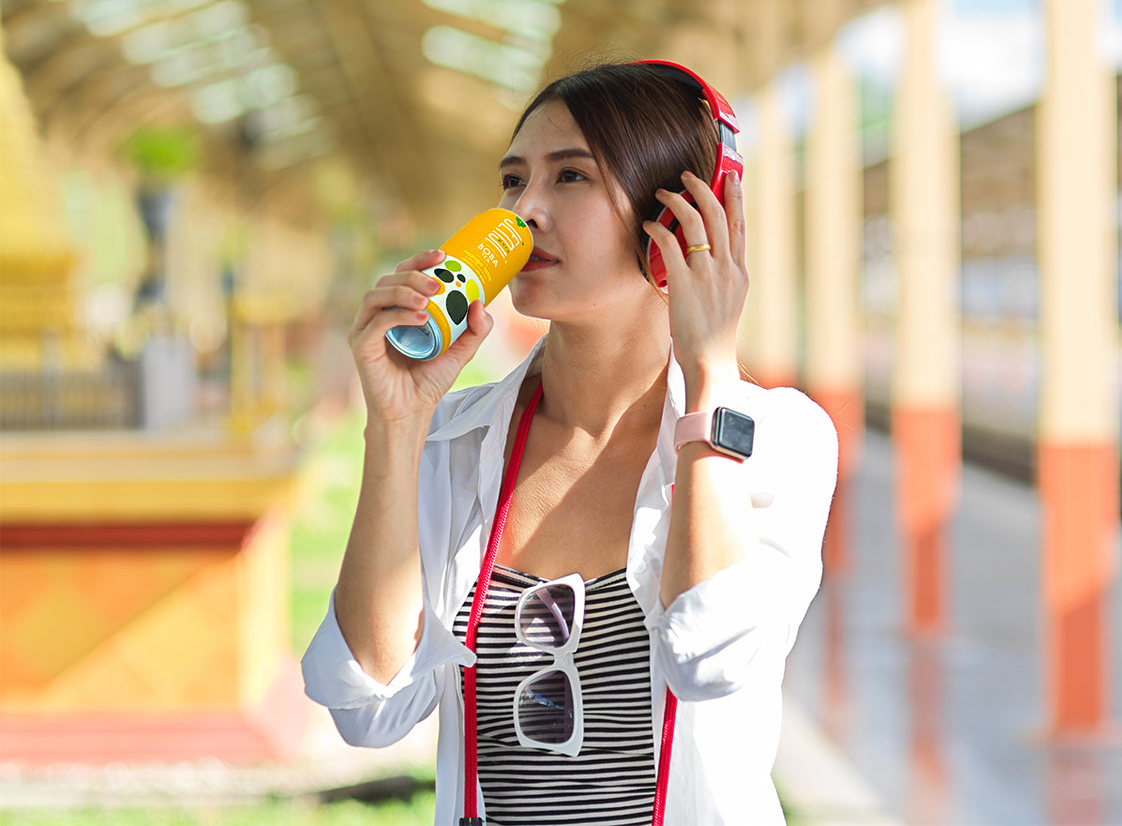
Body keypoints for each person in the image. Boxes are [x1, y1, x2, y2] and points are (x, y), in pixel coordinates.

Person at [300, 60, 837, 826]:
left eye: (571, 178)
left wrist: (710, 371)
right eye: (513, 181)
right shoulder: (458, 441)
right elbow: (368, 706)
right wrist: (396, 422)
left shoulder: (775, 440)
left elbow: (710, 658)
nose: (526, 212)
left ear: (677, 221)